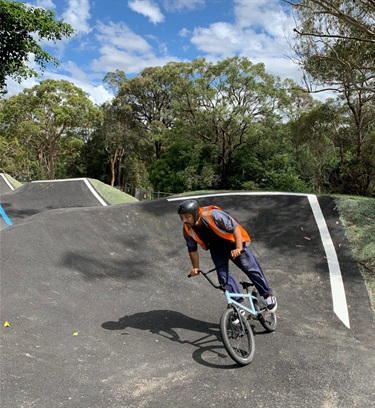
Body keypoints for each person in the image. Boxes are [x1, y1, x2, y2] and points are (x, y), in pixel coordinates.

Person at [178, 199, 277, 311]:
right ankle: (237, 305)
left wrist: (238, 248)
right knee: (223, 277)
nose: (184, 220)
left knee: (249, 267)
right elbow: (192, 249)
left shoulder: (213, 215)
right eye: (182, 217)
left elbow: (235, 229)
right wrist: (196, 267)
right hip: (217, 248)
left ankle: (268, 295)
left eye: (187, 216)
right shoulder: (187, 229)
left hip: (234, 241)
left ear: (196, 214)